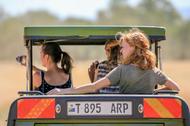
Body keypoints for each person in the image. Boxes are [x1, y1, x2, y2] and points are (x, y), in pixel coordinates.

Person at [47, 28, 180, 95]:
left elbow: (93, 87)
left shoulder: (122, 70)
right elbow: (176, 88)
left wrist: (62, 91)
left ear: (134, 48)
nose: (121, 51)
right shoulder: (154, 71)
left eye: (123, 47)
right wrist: (154, 93)